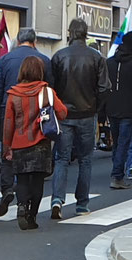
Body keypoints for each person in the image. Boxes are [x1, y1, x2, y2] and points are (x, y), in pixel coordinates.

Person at [0, 55, 63, 231]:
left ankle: (21, 206)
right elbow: (62, 112)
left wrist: (6, 146)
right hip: (41, 143)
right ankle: (32, 215)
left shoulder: (13, 95)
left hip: (19, 142)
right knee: (37, 181)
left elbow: (8, 124)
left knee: (22, 179)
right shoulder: (46, 92)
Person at [0, 28, 48, 216]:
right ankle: (30, 206)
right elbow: (53, 91)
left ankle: (7, 189)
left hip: (10, 109)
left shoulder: (4, 59)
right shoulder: (44, 60)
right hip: (37, 119)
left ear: (18, 40)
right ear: (35, 41)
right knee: (35, 169)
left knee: (8, 155)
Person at [46, 19, 102, 220]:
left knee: (62, 158)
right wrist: (96, 107)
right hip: (87, 113)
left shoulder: (59, 56)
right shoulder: (96, 57)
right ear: (86, 33)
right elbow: (104, 87)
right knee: (85, 160)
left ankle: (57, 199)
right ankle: (82, 203)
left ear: (70, 33)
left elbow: (52, 86)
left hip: (64, 114)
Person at [105, 32, 132, 189]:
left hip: (111, 107)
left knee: (117, 142)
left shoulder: (109, 63)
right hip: (129, 109)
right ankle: (117, 175)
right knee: (124, 142)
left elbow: (104, 87)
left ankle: (117, 170)